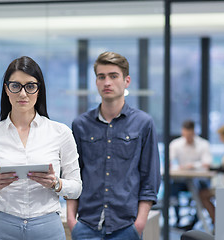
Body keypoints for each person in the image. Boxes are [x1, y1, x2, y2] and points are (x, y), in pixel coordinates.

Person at [0, 56, 82, 240]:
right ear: (6, 89)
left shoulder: (60, 133)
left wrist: (56, 183)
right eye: (15, 86)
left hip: (48, 228)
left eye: (30, 86)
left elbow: (76, 188)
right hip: (3, 229)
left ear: (39, 90)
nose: (23, 94)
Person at [67, 51, 161, 240]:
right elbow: (72, 175)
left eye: (113, 76)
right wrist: (72, 221)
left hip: (126, 226)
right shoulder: (81, 124)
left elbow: (150, 178)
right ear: (96, 82)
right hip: (86, 226)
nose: (107, 82)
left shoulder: (143, 123)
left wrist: (139, 224)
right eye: (101, 77)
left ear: (127, 81)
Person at [169, 120, 213, 229]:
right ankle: (177, 221)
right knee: (171, 192)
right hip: (181, 180)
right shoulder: (176, 144)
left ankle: (195, 221)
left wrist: (193, 165)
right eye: (185, 134)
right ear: (182, 132)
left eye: (190, 135)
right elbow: (169, 161)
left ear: (194, 132)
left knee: (202, 193)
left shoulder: (203, 144)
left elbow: (207, 163)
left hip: (199, 179)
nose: (187, 137)